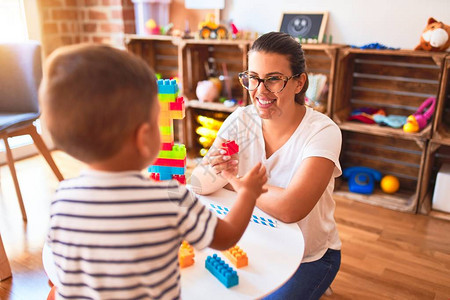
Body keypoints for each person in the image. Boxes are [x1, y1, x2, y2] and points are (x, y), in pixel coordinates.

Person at [39, 43, 267, 300]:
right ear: (144, 136)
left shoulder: (62, 200)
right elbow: (226, 237)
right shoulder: (169, 198)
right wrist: (247, 193)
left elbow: (64, 277)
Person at [191, 31, 342, 299]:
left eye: (273, 79)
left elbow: (290, 208)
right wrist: (221, 174)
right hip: (255, 240)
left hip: (310, 256)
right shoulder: (242, 120)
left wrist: (235, 179)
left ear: (299, 83)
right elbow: (199, 184)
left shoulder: (323, 132)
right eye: (253, 78)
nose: (260, 91)